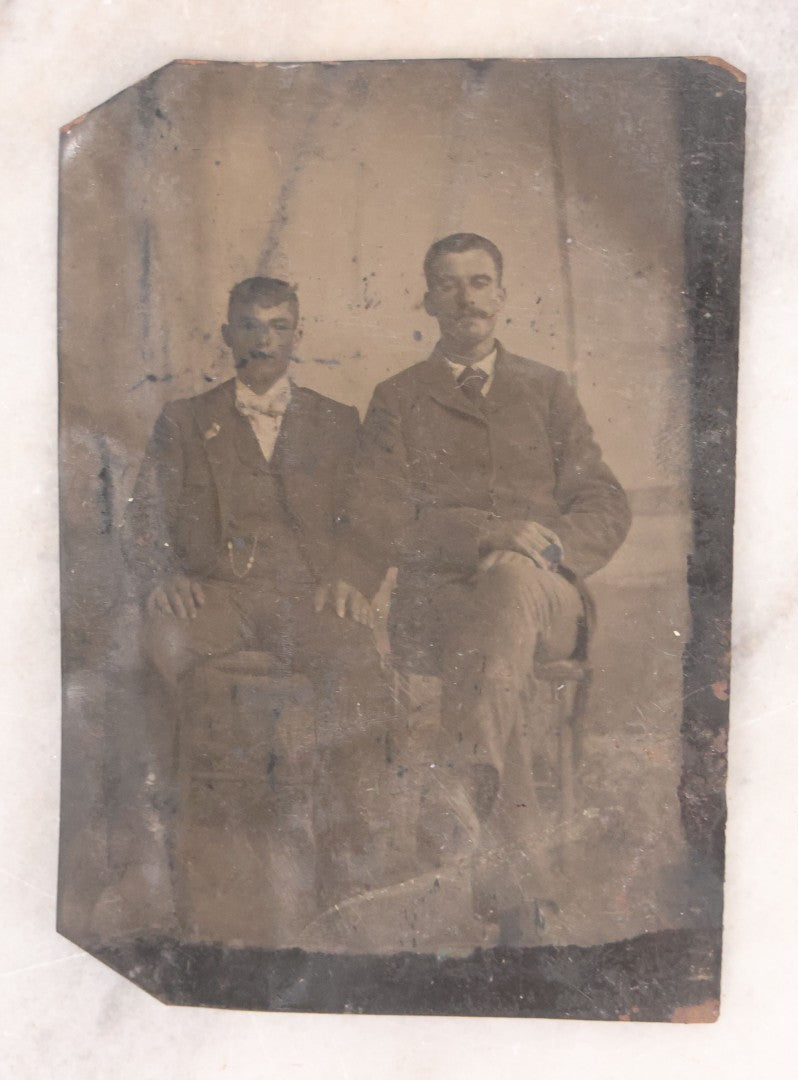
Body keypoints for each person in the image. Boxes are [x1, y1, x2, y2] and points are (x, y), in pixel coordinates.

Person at [334, 233, 632, 941]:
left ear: (501, 295)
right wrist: (487, 536)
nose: (466, 298)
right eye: (449, 284)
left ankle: (461, 778)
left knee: (510, 592)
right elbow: (380, 517)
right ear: (427, 300)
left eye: (479, 282)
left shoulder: (547, 389)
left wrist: (543, 551)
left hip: (547, 595)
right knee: (495, 658)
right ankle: (519, 908)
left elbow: (603, 503)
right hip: (443, 606)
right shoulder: (398, 399)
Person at [123, 276, 391, 917]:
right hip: (219, 596)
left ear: (298, 335)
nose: (263, 340)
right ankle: (161, 845)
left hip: (307, 599)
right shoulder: (186, 421)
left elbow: (369, 519)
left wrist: (351, 579)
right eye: (249, 326)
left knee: (358, 658)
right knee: (157, 643)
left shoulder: (336, 420)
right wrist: (164, 575)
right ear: (227, 335)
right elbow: (144, 518)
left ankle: (348, 863)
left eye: (277, 326)